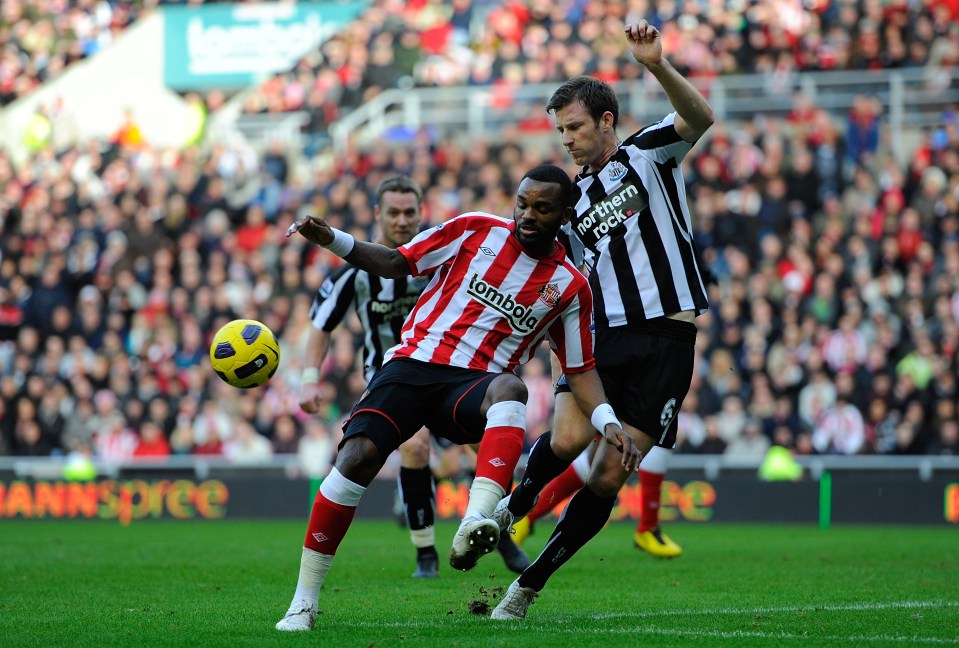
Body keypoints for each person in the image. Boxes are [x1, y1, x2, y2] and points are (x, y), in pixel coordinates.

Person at [276, 164, 641, 632]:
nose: (528, 215)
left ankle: (475, 521)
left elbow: (581, 368)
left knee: (512, 388)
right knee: (355, 459)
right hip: (411, 366)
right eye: (523, 203)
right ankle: (303, 603)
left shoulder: (571, 287)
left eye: (542, 208)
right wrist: (332, 239)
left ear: (565, 214)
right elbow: (395, 262)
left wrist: (608, 421)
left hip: (471, 388)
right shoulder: (474, 229)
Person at [491, 20, 714, 620]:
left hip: (669, 337)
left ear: (607, 121)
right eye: (560, 129)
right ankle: (507, 510)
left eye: (575, 127)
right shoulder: (567, 203)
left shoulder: (650, 152)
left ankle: (527, 586)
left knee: (608, 478)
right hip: (603, 337)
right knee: (566, 439)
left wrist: (657, 65)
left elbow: (701, 118)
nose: (566, 139)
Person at [297, 175, 528, 579]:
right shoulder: (354, 274)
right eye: (393, 213)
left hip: (452, 370)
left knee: (482, 446)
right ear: (376, 214)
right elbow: (320, 326)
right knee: (415, 445)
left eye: (409, 212)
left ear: (420, 212)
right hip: (390, 373)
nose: (403, 220)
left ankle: (498, 534)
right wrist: (310, 378)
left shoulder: (439, 255)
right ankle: (425, 554)